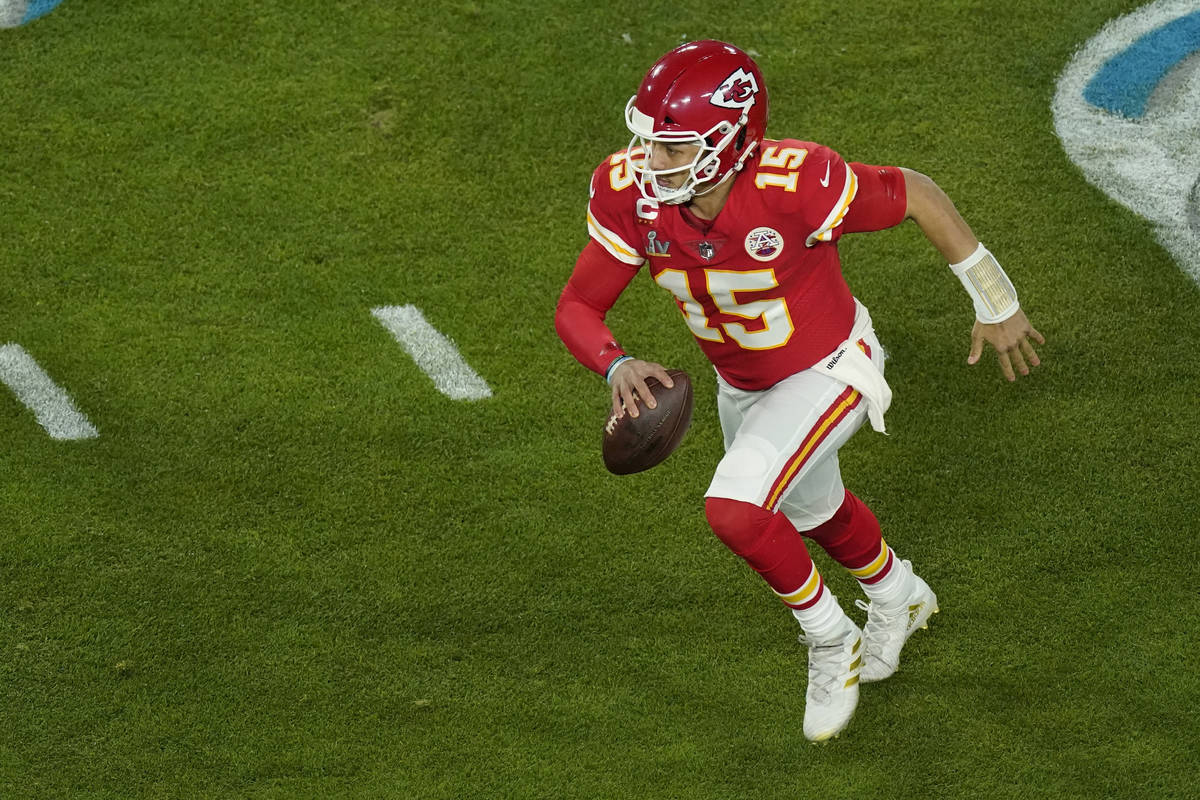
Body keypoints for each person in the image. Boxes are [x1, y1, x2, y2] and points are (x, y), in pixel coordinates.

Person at [554, 40, 1044, 741]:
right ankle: (898, 594)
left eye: (672, 148)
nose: (651, 162)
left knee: (733, 509)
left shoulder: (795, 182)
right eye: (651, 143)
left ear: (729, 141)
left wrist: (995, 299)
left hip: (832, 368)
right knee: (816, 511)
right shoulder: (633, 193)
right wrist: (615, 364)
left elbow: (916, 192)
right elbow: (576, 308)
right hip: (744, 383)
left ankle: (828, 637)